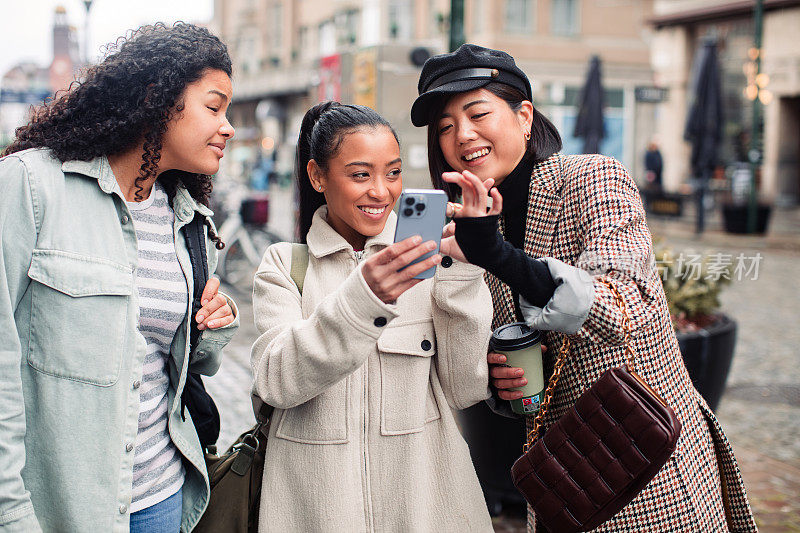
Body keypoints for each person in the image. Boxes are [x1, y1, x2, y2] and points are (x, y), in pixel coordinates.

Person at [411, 43, 757, 532]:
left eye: (477, 113)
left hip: (651, 474)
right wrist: (498, 385)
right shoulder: (470, 229)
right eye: (445, 127)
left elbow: (621, 308)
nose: (462, 135)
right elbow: (506, 355)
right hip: (565, 488)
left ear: (524, 116)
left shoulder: (593, 178)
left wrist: (498, 256)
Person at [0, 23, 239, 533]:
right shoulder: (29, 186)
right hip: (58, 507)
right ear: (157, 98)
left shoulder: (190, 222)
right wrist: (11, 511)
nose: (228, 127)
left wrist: (213, 327)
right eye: (214, 107)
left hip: (163, 496)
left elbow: (182, 366)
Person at [250, 102, 494, 532]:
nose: (381, 191)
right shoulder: (284, 266)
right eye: (361, 175)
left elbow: (465, 389)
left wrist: (465, 271)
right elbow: (276, 380)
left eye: (394, 173)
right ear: (317, 176)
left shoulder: (430, 259)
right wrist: (364, 300)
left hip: (426, 508)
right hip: (316, 512)